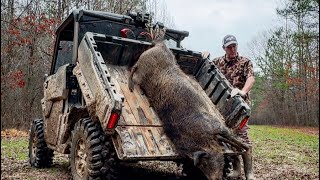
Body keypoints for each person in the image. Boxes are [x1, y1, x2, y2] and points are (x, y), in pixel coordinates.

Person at [202, 34, 255, 180]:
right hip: (221, 108)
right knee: (228, 138)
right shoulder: (218, 62)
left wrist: (243, 91)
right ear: (223, 48)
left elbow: (251, 77)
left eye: (234, 46)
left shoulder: (245, 62)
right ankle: (237, 170)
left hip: (239, 109)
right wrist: (204, 55)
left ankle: (249, 173)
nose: (232, 49)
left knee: (242, 137)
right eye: (229, 47)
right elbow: (205, 66)